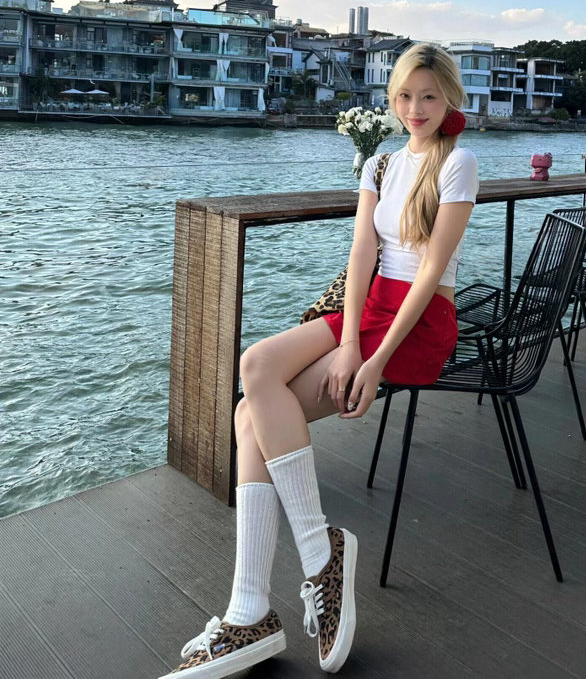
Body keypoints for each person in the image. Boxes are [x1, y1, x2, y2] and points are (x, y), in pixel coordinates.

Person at [161, 43, 478, 677]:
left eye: (429, 96)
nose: (415, 108)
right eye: (405, 96)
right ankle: (282, 583)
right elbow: (361, 254)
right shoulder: (381, 165)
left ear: (449, 99)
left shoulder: (458, 162)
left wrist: (374, 362)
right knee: (255, 382)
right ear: (391, 99)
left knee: (253, 401)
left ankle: (275, 592)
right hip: (370, 310)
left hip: (418, 323)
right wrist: (350, 341)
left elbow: (430, 274)